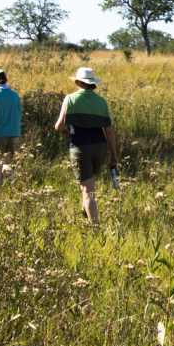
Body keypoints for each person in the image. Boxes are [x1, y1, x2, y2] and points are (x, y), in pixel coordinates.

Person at [53, 66, 119, 226]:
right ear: (92, 84)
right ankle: (86, 214)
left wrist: (67, 133)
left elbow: (58, 126)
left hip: (80, 147)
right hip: (100, 147)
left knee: (88, 191)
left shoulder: (70, 99)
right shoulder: (101, 102)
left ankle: (95, 228)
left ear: (77, 82)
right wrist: (114, 156)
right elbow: (109, 131)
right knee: (88, 186)